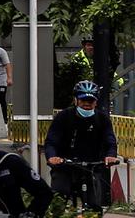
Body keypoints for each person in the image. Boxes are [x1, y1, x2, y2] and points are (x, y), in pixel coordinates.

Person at [45, 80, 120, 210]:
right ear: (76, 100)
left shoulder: (102, 120)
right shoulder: (63, 117)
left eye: (90, 101)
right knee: (58, 201)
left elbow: (110, 141)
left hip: (90, 167)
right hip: (65, 166)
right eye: (83, 100)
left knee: (94, 206)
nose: (86, 104)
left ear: (96, 102)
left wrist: (110, 156)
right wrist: (52, 157)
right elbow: (51, 141)